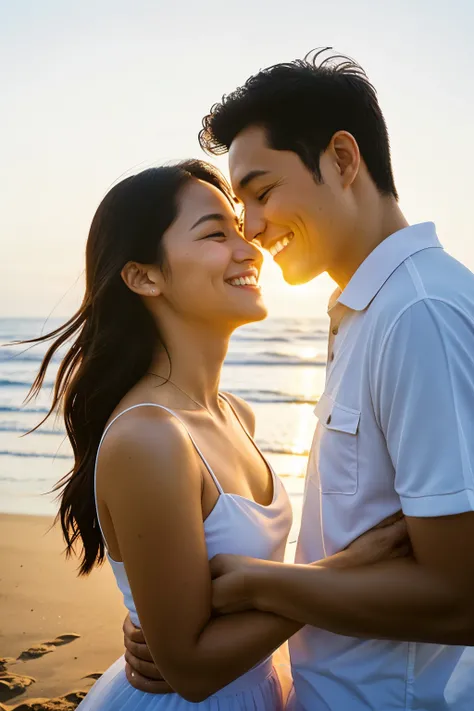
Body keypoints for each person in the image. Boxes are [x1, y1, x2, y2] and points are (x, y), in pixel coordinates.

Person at [125, 50, 474, 710]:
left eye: (261, 193)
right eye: (237, 206)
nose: (251, 229)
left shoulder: (418, 314)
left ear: (343, 160)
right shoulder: (368, 312)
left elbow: (461, 596)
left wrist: (260, 585)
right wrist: (186, 625)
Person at [23, 159, 406, 710]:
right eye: (215, 234)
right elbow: (192, 670)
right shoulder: (150, 438)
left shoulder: (236, 415)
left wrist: (274, 587)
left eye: (241, 228)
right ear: (144, 276)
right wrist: (349, 566)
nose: (250, 247)